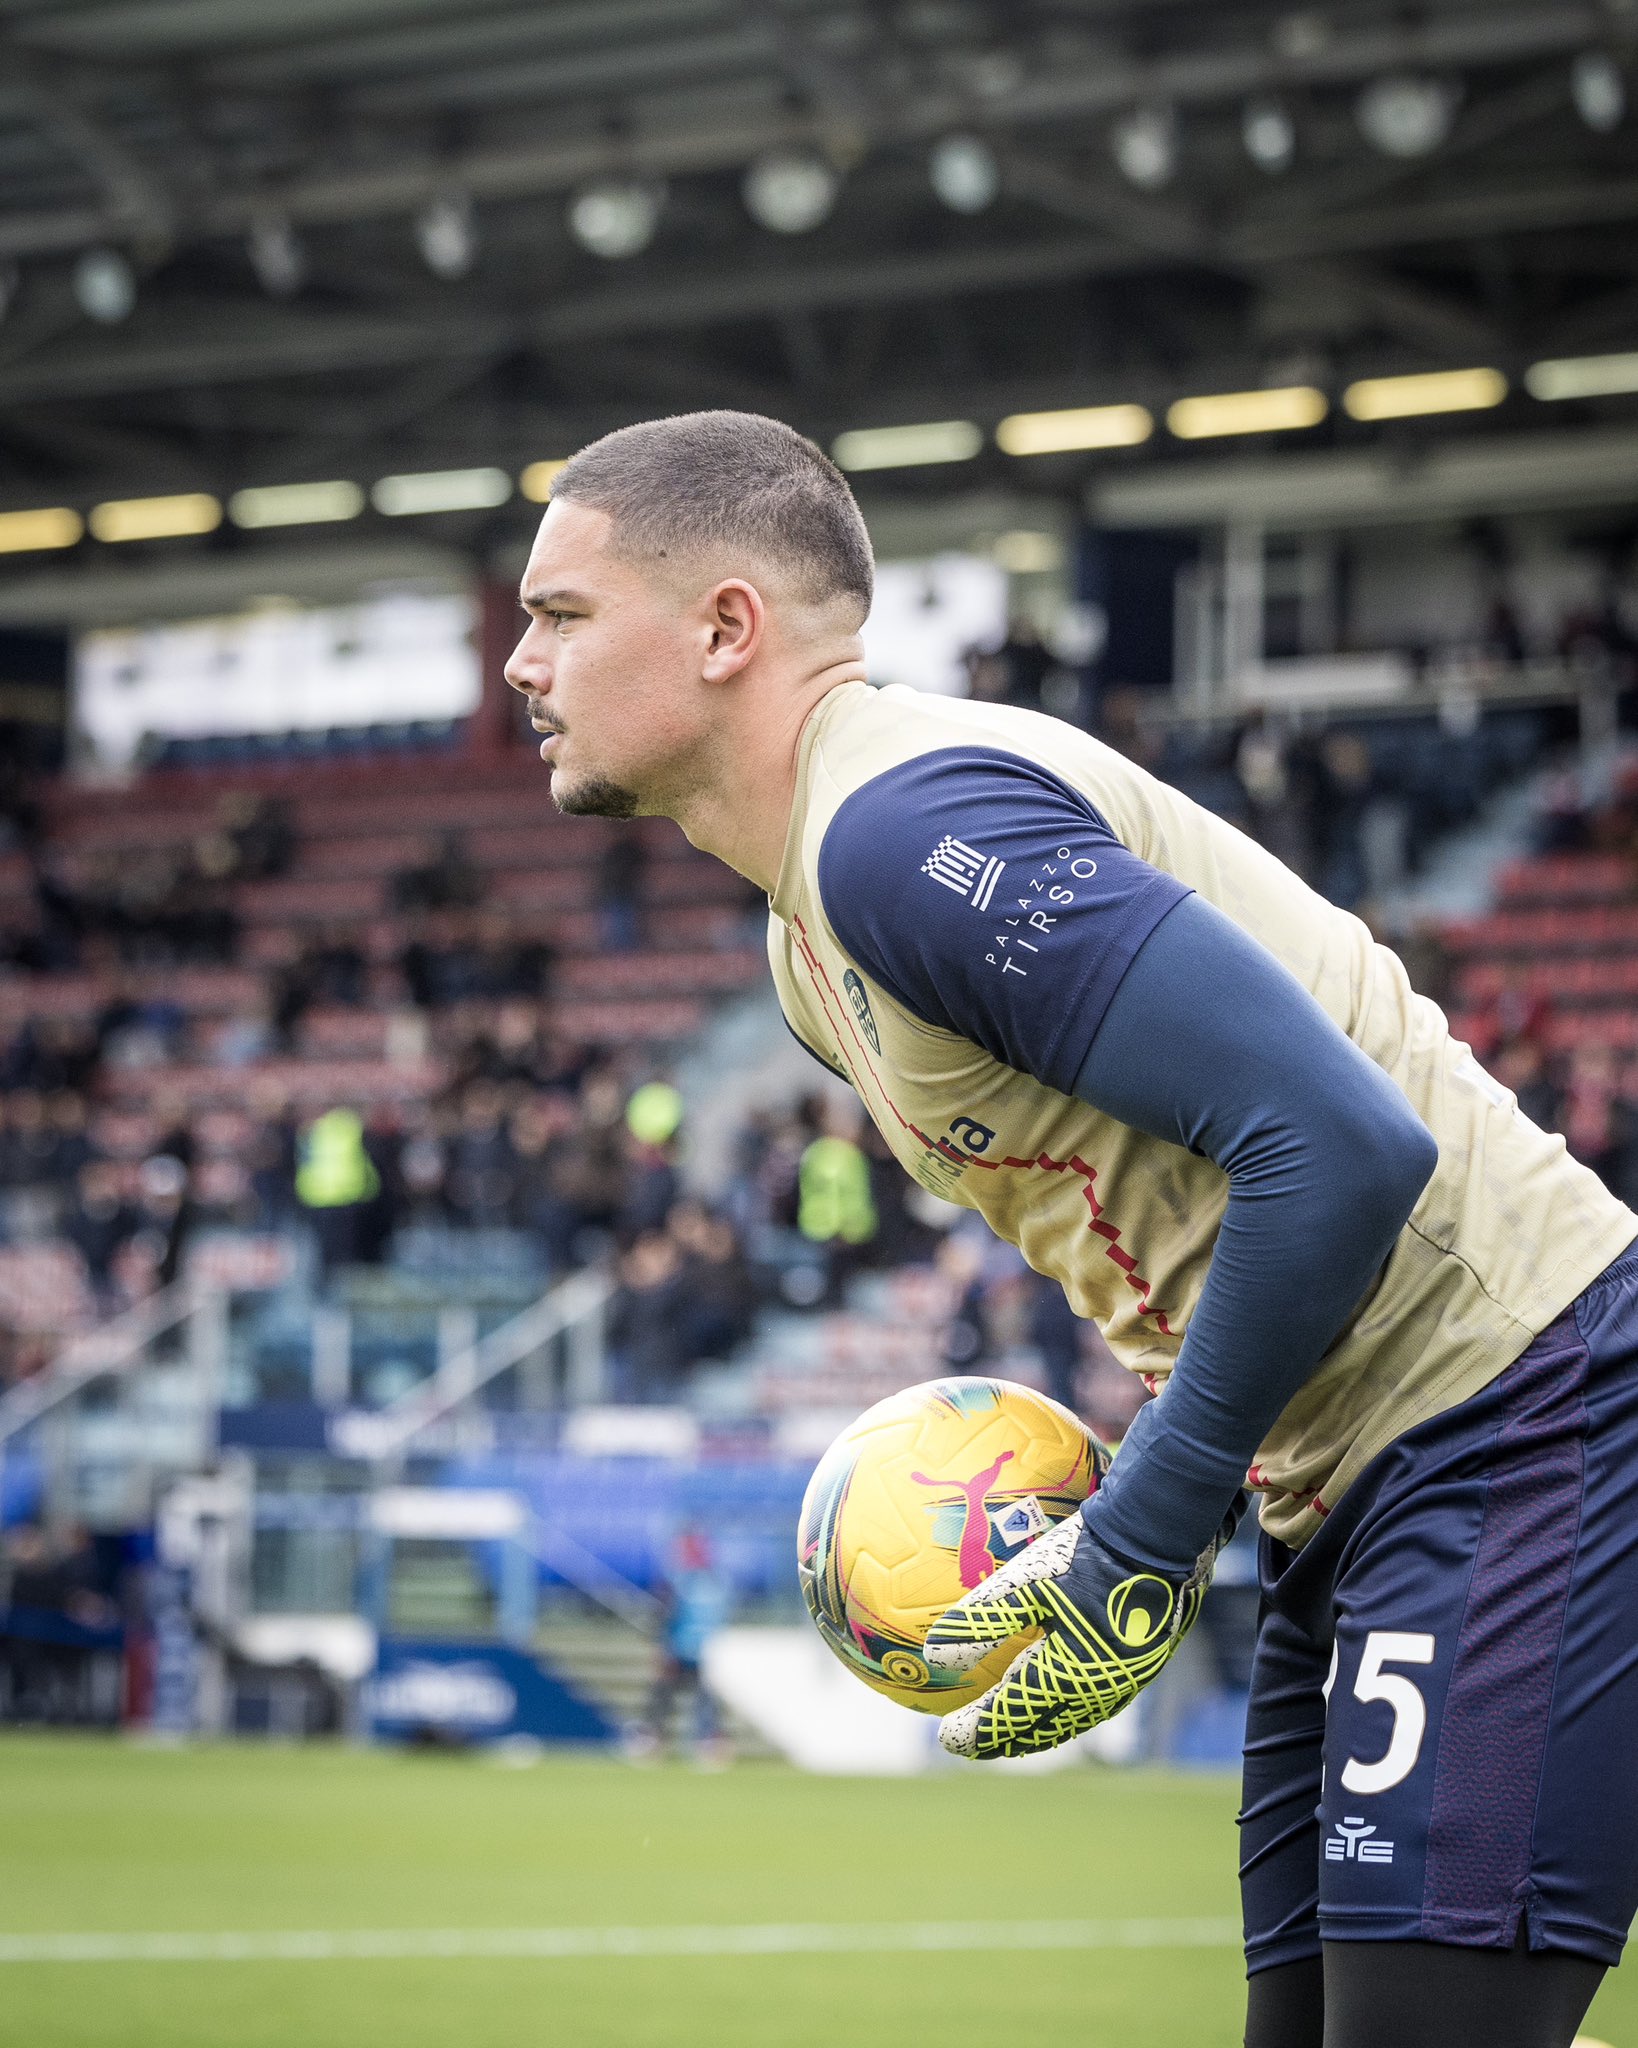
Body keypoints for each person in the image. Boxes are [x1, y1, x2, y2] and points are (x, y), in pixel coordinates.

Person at [504, 410, 1638, 2048]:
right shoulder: (808, 945)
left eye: (559, 614)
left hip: (1517, 1412)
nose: (521, 665)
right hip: (1347, 1481)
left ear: (725, 627)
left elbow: (1340, 1148)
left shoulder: (898, 837)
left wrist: (1141, 1534)